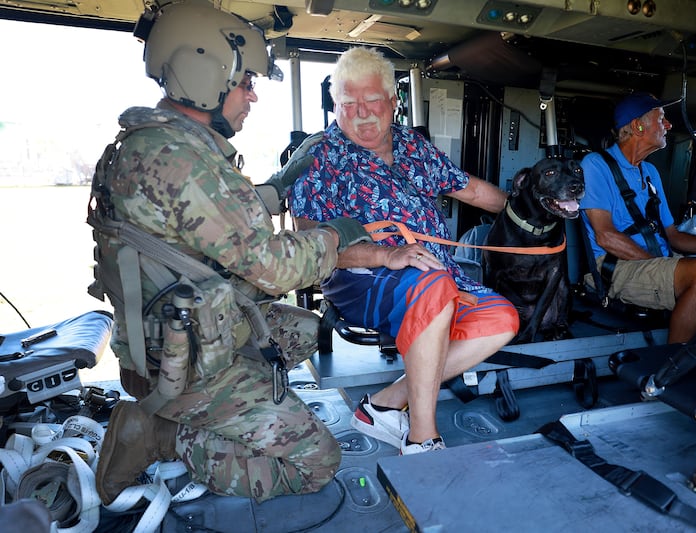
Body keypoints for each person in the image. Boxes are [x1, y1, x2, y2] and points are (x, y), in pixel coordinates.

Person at [89, 0, 371, 505]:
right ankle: (161, 434)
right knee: (319, 462)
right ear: (203, 74)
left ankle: (231, 413)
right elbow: (273, 267)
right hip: (181, 363)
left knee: (304, 330)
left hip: (164, 337)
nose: (253, 96)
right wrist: (338, 233)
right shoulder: (183, 162)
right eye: (246, 84)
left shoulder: (154, 145)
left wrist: (281, 187)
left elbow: (205, 222)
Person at [290, 47, 519, 455]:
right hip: (360, 279)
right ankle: (422, 437)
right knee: (431, 286)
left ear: (393, 102)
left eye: (372, 101)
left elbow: (467, 188)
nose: (361, 114)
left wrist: (526, 213)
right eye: (348, 104)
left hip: (435, 272)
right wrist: (385, 255)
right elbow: (307, 247)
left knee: (499, 319)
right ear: (336, 105)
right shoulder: (318, 157)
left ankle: (385, 403)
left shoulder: (412, 144)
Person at [580, 92, 696, 344]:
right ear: (638, 125)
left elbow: (674, 236)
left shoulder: (650, 172)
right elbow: (606, 236)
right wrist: (664, 266)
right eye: (662, 119)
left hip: (656, 260)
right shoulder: (595, 164)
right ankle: (672, 372)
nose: (668, 126)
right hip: (615, 266)